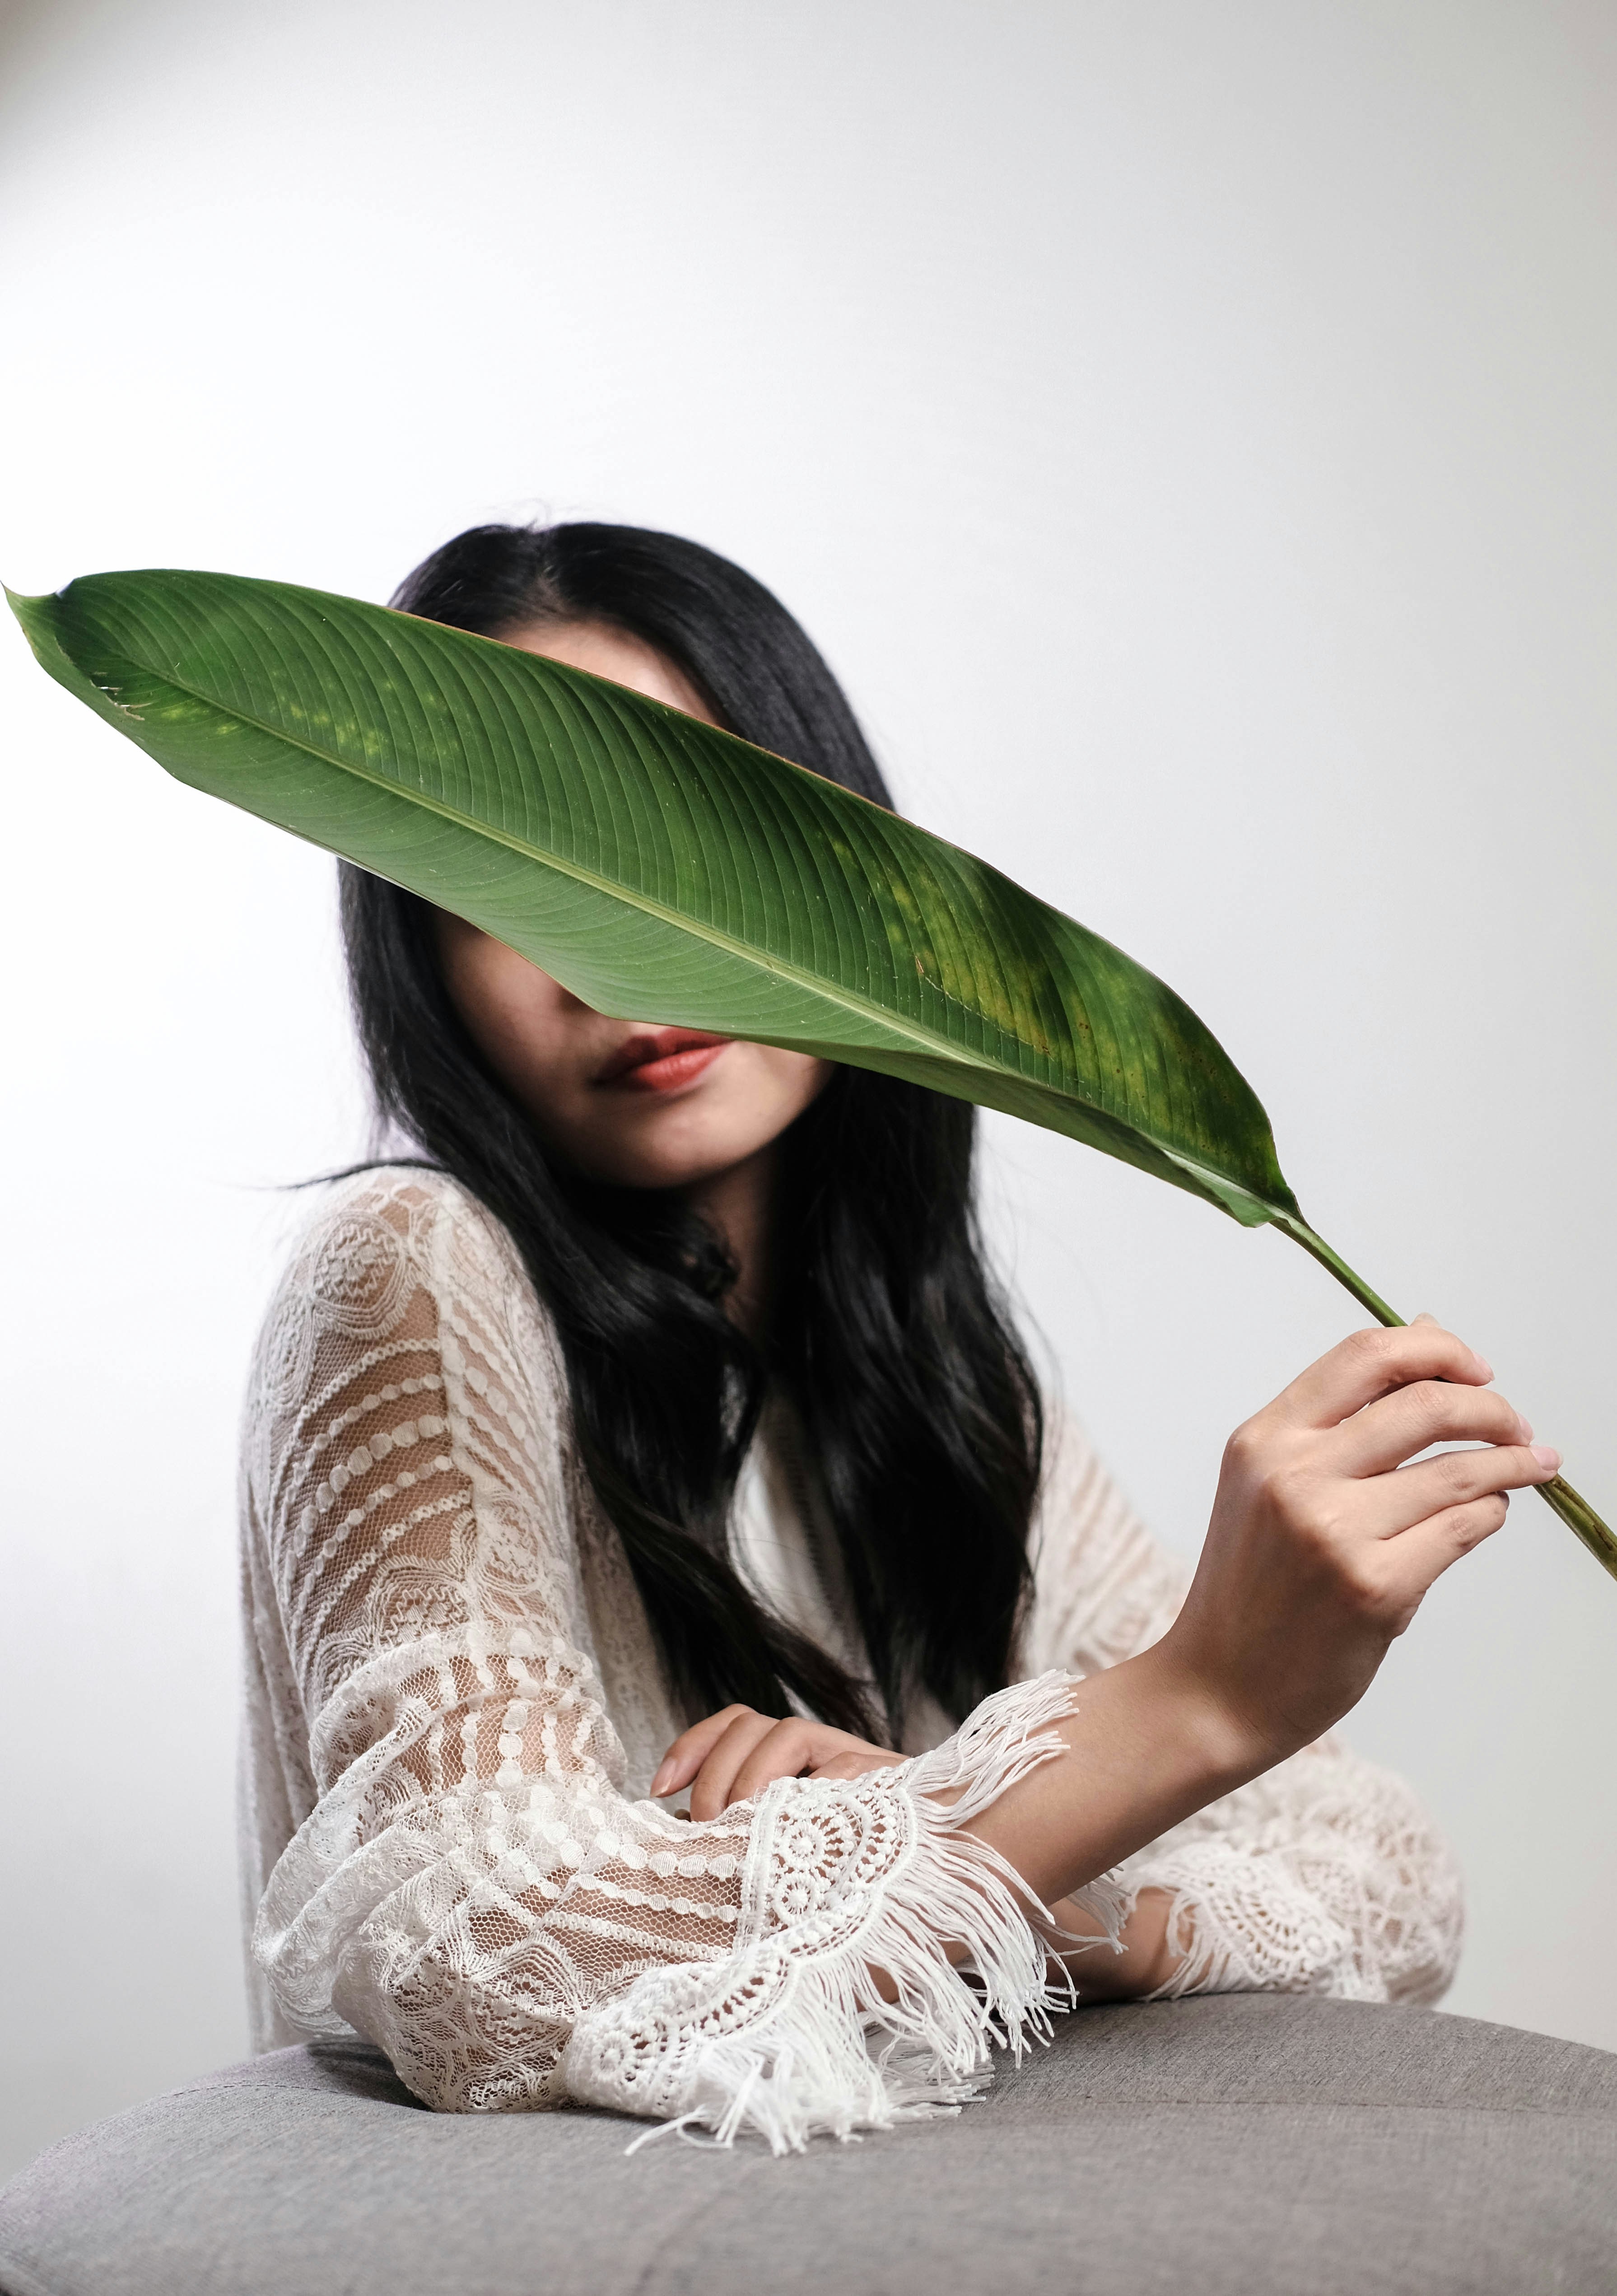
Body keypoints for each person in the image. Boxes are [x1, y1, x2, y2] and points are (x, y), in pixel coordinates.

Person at [238, 520, 1559, 2151]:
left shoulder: (935, 1383)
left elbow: (1388, 1878)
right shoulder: (417, 1267)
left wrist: (945, 1852)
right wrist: (1179, 1711)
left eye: (684, 832)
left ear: (846, 878)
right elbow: (479, 1946)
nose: (611, 951)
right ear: (418, 954)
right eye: (509, 876)